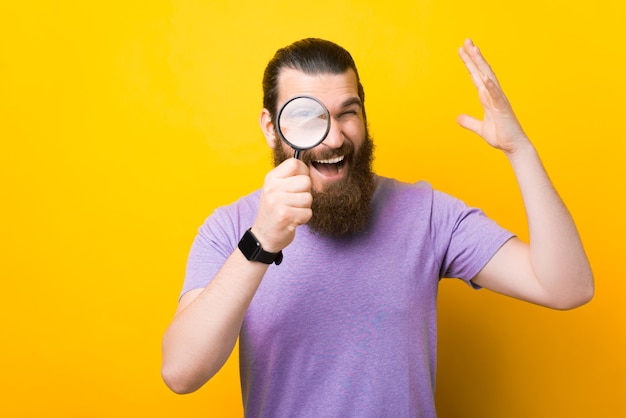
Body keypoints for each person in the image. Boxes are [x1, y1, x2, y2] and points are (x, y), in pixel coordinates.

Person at [161, 38, 593, 417]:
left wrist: (521, 150)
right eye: (309, 118)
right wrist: (261, 242)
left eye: (347, 113)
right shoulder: (230, 229)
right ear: (272, 129)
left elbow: (567, 287)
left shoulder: (426, 214)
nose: (332, 139)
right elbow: (181, 372)